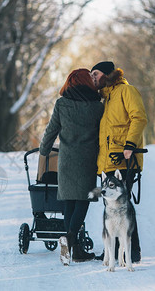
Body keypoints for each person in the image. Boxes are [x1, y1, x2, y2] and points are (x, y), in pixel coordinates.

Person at [39, 68, 104, 265]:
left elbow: (51, 130)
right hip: (87, 160)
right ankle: (72, 240)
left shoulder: (62, 104)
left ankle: (75, 248)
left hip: (66, 159)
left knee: (68, 201)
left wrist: (43, 151)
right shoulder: (97, 107)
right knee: (83, 200)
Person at [91, 61, 147, 263]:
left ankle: (130, 252)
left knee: (123, 207)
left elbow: (139, 118)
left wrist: (130, 144)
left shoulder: (127, 91)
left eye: (95, 74)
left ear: (106, 74)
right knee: (112, 208)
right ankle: (118, 251)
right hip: (107, 164)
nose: (93, 78)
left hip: (124, 161)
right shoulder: (106, 99)